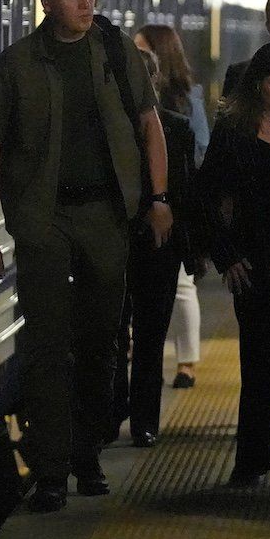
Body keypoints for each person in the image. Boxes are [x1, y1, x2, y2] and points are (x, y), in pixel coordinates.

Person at [0, 0, 172, 512]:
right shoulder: (17, 65)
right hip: (41, 219)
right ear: (46, 2)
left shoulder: (116, 54)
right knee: (47, 344)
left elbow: (149, 126)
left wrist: (158, 199)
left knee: (99, 340)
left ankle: (87, 454)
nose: (86, 4)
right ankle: (53, 469)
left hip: (105, 217)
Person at [198, 42, 270, 487]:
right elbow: (205, 192)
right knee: (260, 360)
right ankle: (253, 457)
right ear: (257, 85)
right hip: (254, 258)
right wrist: (225, 255)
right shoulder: (236, 127)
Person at [110, 48, 202, 448]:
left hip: (160, 246)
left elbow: (187, 192)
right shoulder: (104, 129)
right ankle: (113, 413)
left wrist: (191, 249)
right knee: (116, 334)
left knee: (148, 336)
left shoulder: (177, 129)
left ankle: (143, 420)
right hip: (115, 242)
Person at [133, 25, 207, 387]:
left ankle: (187, 360)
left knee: (181, 286)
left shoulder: (185, 99)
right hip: (147, 206)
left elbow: (200, 150)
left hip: (175, 203)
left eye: (142, 48)